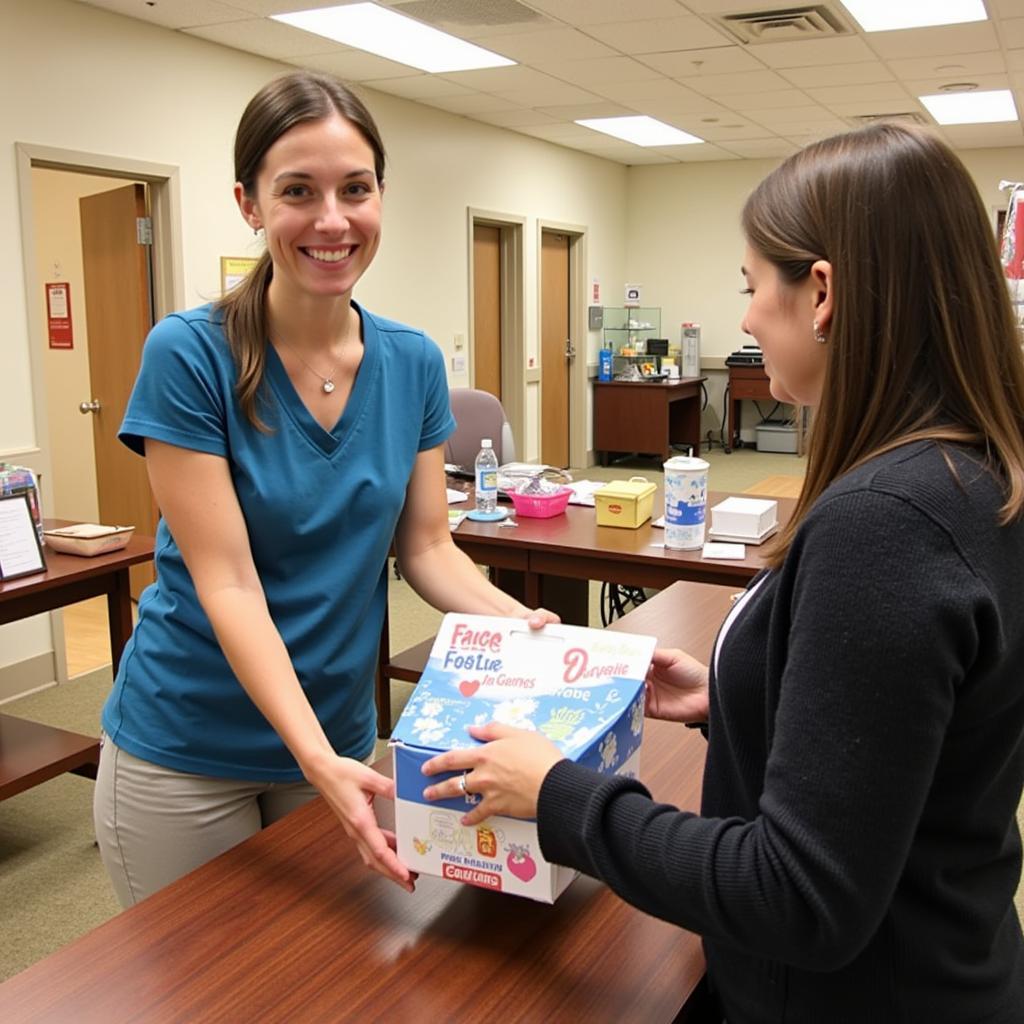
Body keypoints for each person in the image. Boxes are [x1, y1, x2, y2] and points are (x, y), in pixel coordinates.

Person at [422, 123, 1024, 1022]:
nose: (743, 318)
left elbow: (800, 896)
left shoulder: (886, 526)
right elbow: (913, 743)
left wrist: (561, 796)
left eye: (752, 286)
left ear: (821, 291)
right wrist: (740, 697)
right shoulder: (976, 473)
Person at [93, 71, 555, 907]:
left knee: (327, 983)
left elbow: (425, 546)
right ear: (250, 203)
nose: (332, 220)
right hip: (187, 745)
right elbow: (226, 582)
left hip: (338, 743)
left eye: (356, 188)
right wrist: (315, 758)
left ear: (382, 194)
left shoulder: (412, 361)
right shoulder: (190, 356)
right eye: (297, 191)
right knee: (200, 992)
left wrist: (521, 627)